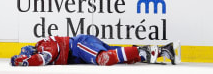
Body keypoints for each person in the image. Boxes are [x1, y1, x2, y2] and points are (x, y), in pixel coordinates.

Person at [10, 34, 178, 66]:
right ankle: (164, 51)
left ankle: (144, 53)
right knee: (118, 56)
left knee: (105, 58)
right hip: (82, 49)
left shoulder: (43, 44)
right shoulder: (42, 46)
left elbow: (43, 58)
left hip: (79, 45)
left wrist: (23, 62)